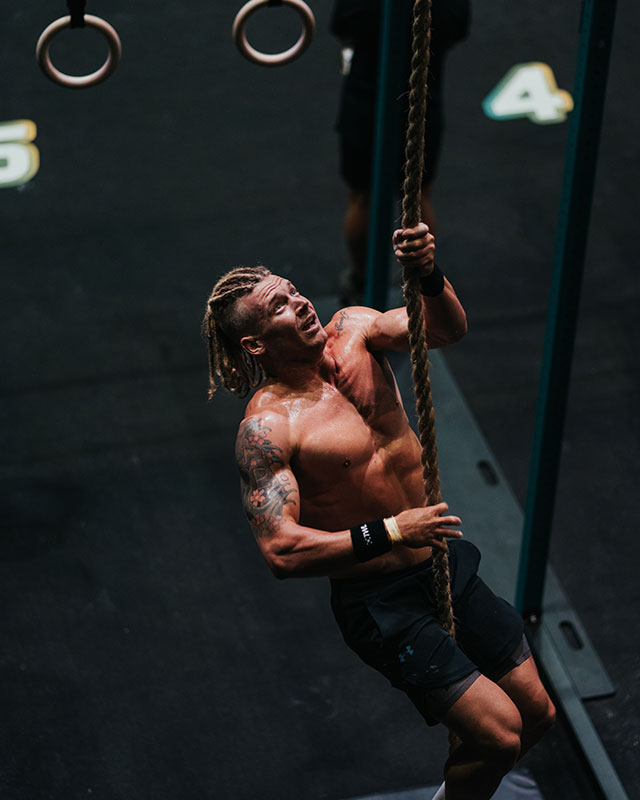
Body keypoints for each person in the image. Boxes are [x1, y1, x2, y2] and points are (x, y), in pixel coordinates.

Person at [201, 224, 555, 799]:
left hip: (440, 565)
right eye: (280, 308)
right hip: (381, 604)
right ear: (256, 345)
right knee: (500, 738)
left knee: (537, 714)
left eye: (293, 292)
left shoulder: (356, 330)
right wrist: (390, 530)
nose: (301, 304)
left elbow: (445, 329)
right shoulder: (268, 427)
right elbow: (281, 551)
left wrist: (428, 273)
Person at [331, 0, 471, 303]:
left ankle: (363, 282)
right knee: (413, 194)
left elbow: (343, 23)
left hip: (372, 99)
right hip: (417, 100)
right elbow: (457, 24)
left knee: (367, 196)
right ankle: (419, 285)